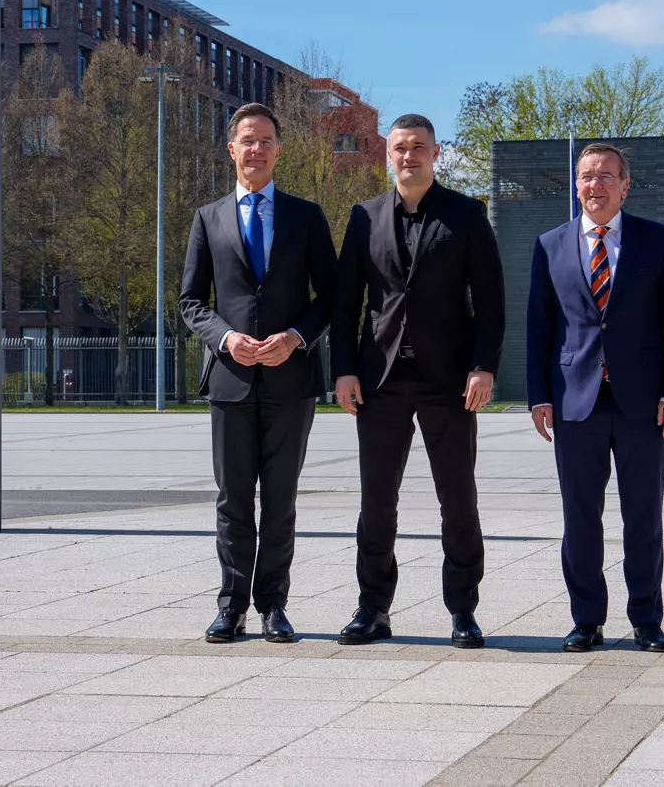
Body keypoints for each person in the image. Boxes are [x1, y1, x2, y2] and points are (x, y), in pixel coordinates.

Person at [330, 113, 505, 648]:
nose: (410, 156)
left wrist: (484, 366)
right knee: (377, 501)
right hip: (379, 381)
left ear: (435, 153)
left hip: (449, 381)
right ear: (389, 155)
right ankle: (372, 609)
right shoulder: (363, 217)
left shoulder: (466, 215)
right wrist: (343, 370)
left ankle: (463, 612)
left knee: (458, 499)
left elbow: (492, 302)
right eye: (401, 148)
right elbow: (345, 305)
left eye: (420, 148)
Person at [179, 102, 337, 644]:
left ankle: (274, 605)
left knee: (281, 499)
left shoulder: (307, 215)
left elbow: (333, 297)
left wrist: (295, 338)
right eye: (248, 140)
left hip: (292, 382)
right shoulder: (208, 217)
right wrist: (226, 338)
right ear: (232, 149)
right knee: (232, 498)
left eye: (266, 140)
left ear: (278, 149)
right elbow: (190, 301)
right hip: (230, 379)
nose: (257, 149)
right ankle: (231, 605)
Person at [526, 142, 664, 653]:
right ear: (576, 185)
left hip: (643, 403)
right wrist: (538, 397)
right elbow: (539, 327)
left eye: (605, 176)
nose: (594, 185)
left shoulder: (657, 240)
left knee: (643, 514)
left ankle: (646, 618)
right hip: (575, 402)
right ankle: (586, 620)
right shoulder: (550, 244)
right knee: (580, 517)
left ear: (625, 185)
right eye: (585, 176)